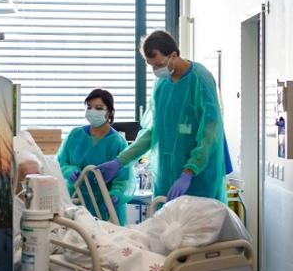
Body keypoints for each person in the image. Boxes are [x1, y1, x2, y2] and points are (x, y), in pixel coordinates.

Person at [97, 31, 226, 203]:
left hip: (198, 179)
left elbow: (210, 134)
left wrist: (189, 171)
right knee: (166, 227)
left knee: (197, 226)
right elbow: (153, 133)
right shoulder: (162, 85)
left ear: (173, 55)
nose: (155, 71)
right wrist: (120, 161)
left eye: (158, 65)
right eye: (151, 66)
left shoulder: (200, 80)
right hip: (166, 177)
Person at [57, 89, 134, 226]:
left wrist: (116, 195)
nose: (92, 111)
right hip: (77, 200)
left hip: (106, 206)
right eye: (89, 107)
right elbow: (61, 162)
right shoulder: (76, 135)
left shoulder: (117, 142)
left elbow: (124, 178)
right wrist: (70, 171)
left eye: (98, 108)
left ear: (109, 112)